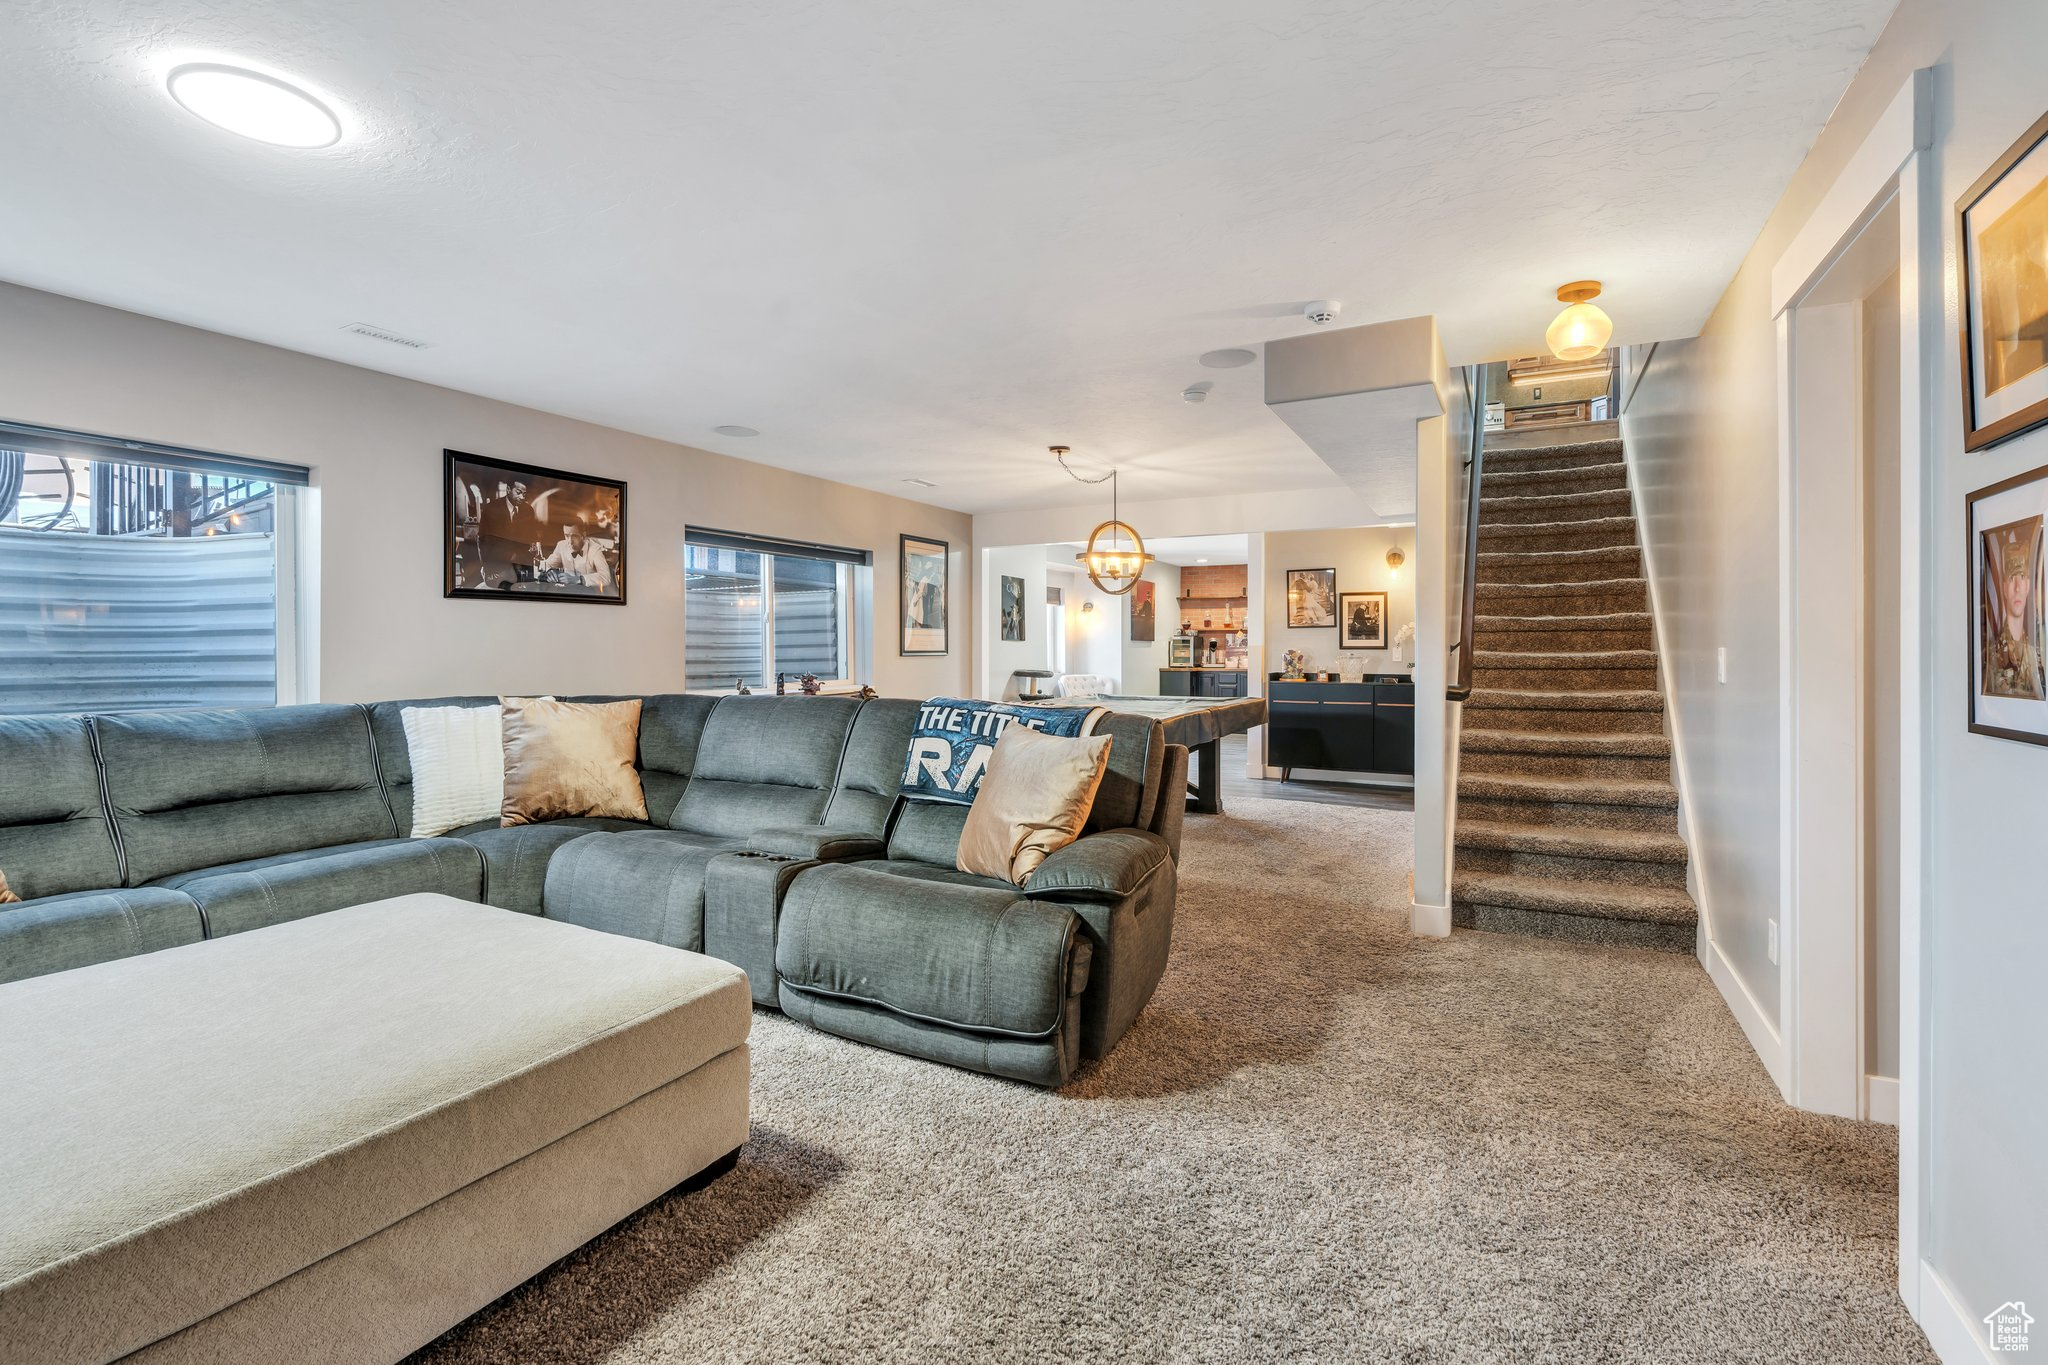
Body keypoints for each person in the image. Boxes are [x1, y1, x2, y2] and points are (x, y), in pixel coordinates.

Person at [1984, 522, 2045, 700]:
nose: (2017, 588)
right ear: (2004, 587)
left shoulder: (2036, 652)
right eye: (2012, 579)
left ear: (2028, 586)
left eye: (2023, 577)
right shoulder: (1993, 654)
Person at [538, 524, 615, 592]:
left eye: (574, 536)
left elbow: (606, 577)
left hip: (590, 596)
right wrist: (549, 571)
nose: (570, 541)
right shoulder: (561, 545)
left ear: (583, 535)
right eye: (567, 536)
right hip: (566, 594)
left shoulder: (595, 550)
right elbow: (544, 564)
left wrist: (579, 579)